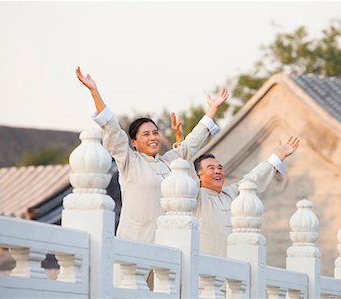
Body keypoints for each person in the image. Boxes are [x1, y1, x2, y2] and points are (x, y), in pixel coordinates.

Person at [75, 66, 229, 243]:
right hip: (134, 242)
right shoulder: (130, 161)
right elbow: (113, 129)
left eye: (155, 133)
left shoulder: (169, 162)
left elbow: (193, 142)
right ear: (133, 142)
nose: (153, 137)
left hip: (166, 244)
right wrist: (94, 92)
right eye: (146, 134)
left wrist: (212, 109)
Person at [192, 137, 300, 257]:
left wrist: (279, 156)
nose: (217, 171)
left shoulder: (231, 194)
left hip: (234, 269)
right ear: (198, 175)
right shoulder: (196, 196)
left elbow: (253, 178)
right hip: (205, 271)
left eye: (219, 168)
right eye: (211, 168)